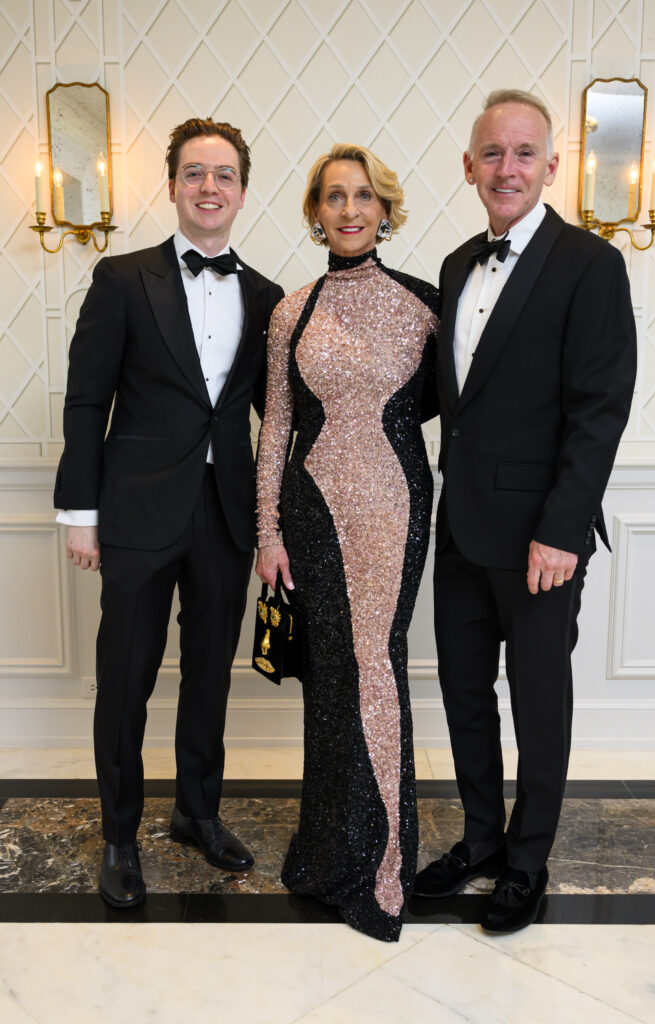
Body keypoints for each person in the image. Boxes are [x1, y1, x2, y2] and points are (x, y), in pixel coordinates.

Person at [414, 90, 637, 932]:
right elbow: (454, 398)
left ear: (550, 165)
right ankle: (480, 839)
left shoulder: (589, 264)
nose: (505, 168)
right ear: (467, 166)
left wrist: (561, 530)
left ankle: (526, 858)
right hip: (460, 526)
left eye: (521, 153)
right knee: (464, 695)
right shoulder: (453, 266)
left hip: (541, 537)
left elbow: (598, 409)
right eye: (491, 153)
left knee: (539, 702)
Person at [54, 117, 283, 908]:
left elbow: (277, 417)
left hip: (224, 515)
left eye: (223, 175)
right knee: (126, 678)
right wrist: (80, 513)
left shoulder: (267, 297)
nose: (208, 187)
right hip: (137, 513)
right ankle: (119, 835)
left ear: (242, 191)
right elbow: (87, 401)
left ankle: (197, 812)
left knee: (209, 677)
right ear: (174, 184)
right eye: (194, 173)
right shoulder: (122, 279)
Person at [255, 144, 438, 942]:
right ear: (315, 212)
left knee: (375, 662)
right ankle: (326, 854)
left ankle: (382, 865)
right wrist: (267, 532)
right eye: (334, 196)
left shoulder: (425, 304)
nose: (350, 209)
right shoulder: (291, 311)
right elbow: (276, 430)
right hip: (310, 513)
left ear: (384, 209)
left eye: (363, 195)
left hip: (395, 503)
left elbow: (460, 403)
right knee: (329, 677)